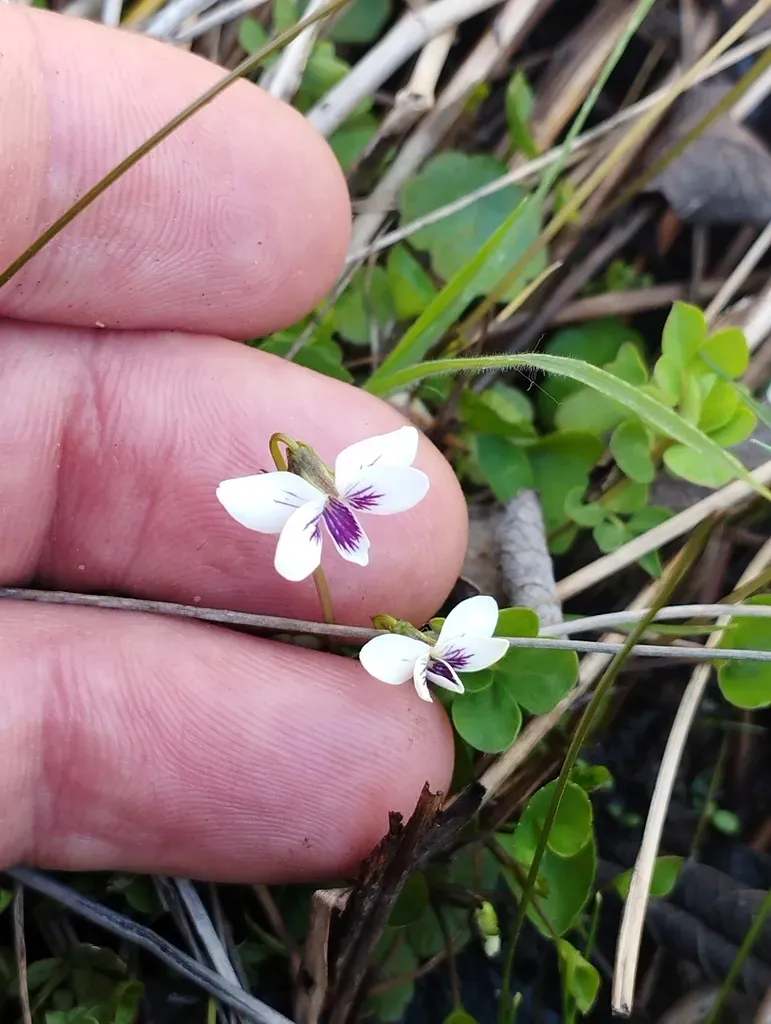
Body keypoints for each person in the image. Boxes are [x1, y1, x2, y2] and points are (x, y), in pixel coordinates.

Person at [0, 5, 468, 883]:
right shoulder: (330, 495)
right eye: (337, 507)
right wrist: (327, 499)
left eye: (340, 509)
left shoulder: (352, 487)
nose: (343, 525)